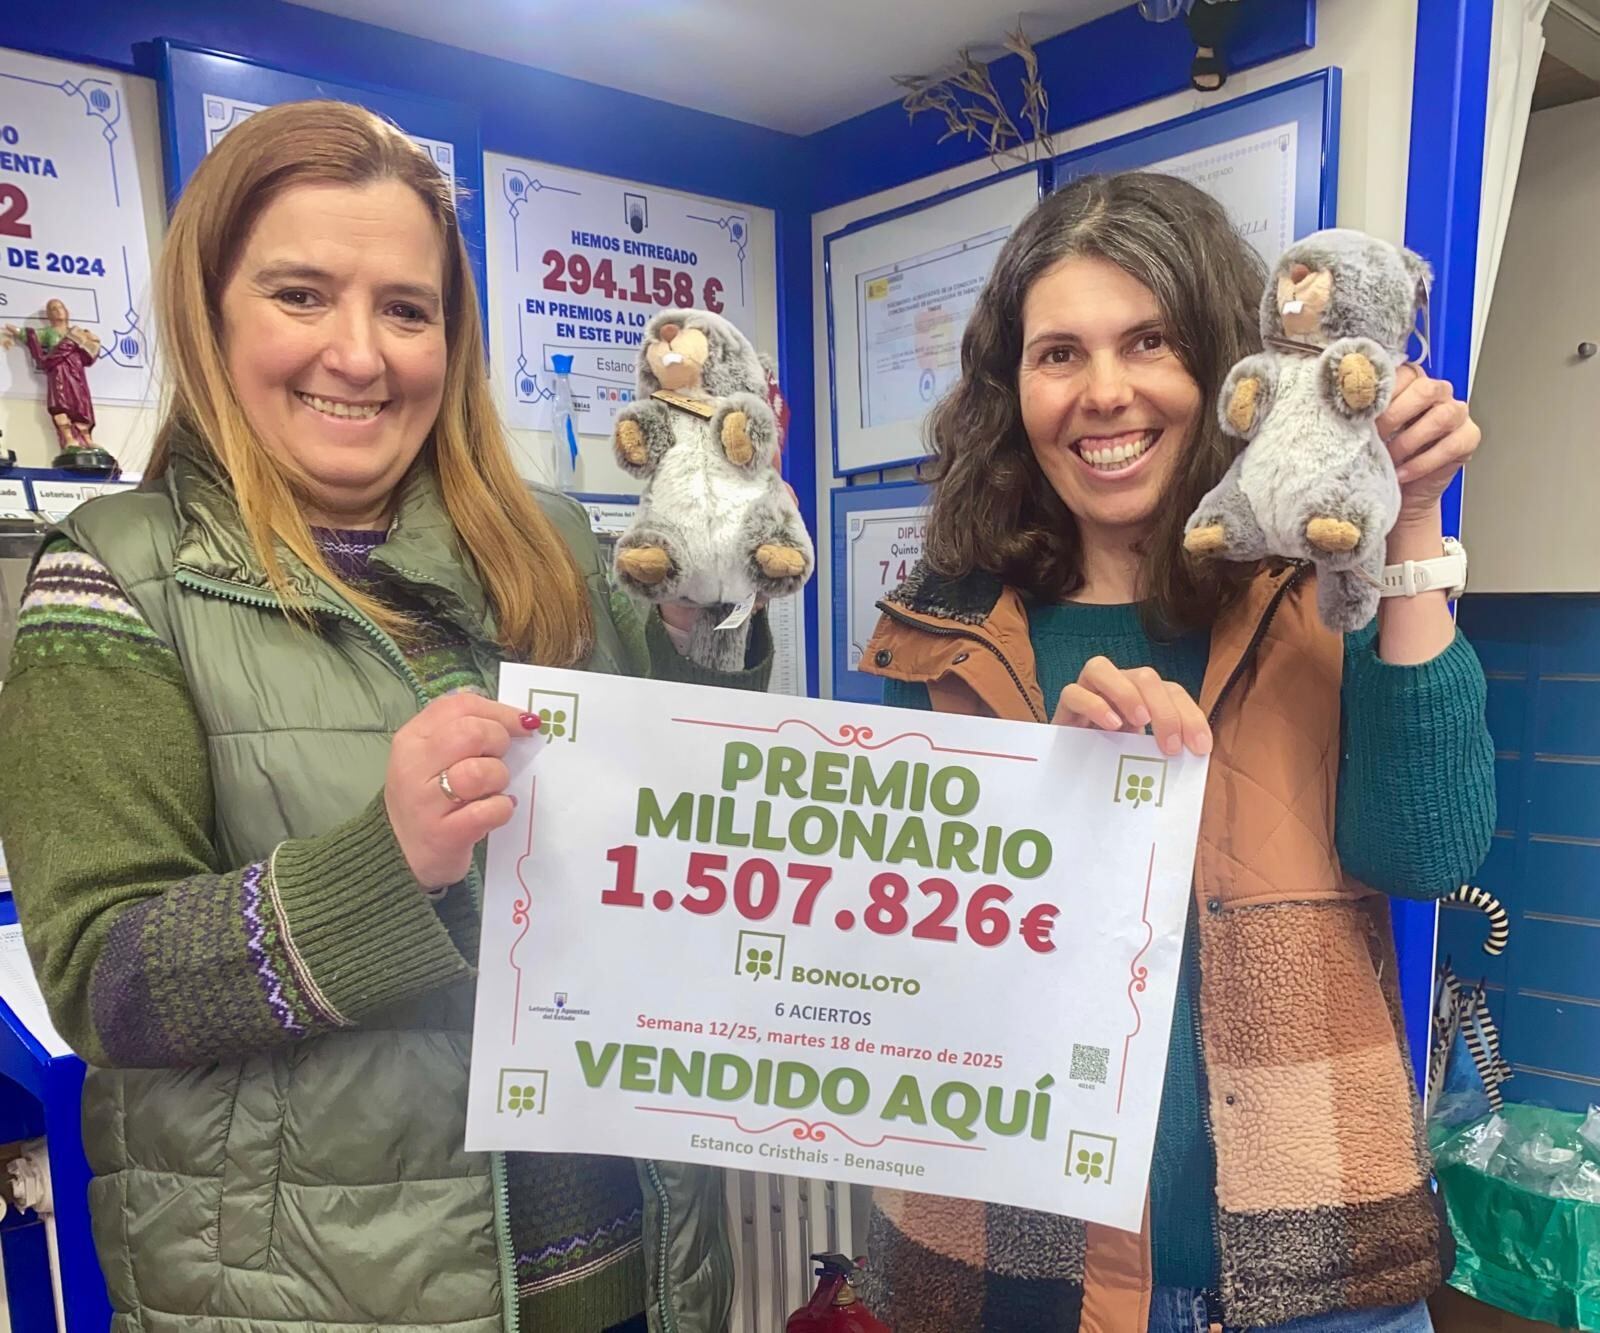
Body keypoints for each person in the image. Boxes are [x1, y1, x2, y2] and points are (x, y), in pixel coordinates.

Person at [0, 101, 758, 1333]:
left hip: (639, 1268)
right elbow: (106, 983)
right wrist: (384, 865)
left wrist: (717, 637)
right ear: (211, 310)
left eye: (406, 309)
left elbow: (684, 846)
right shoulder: (114, 575)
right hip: (327, 1298)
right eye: (300, 295)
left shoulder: (551, 546)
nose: (360, 354)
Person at [855, 173, 1495, 1333]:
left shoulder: (1312, 586)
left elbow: (1428, 844)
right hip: (1007, 1274)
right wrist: (1045, 809)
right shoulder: (936, 632)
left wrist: (1410, 522)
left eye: (1147, 341)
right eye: (1059, 354)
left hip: (1316, 1277)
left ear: (1222, 365)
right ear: (1013, 388)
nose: (1104, 394)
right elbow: (890, 954)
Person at [3, 298, 103, 453]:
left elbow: (89, 354)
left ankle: (87, 439)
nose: (58, 311)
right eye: (53, 308)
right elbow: (30, 335)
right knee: (61, 403)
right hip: (59, 373)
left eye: (60, 307)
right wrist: (12, 330)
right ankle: (69, 438)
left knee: (81, 404)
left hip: (77, 374)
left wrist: (92, 342)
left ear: (67, 311)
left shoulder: (79, 333)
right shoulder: (48, 333)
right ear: (48, 315)